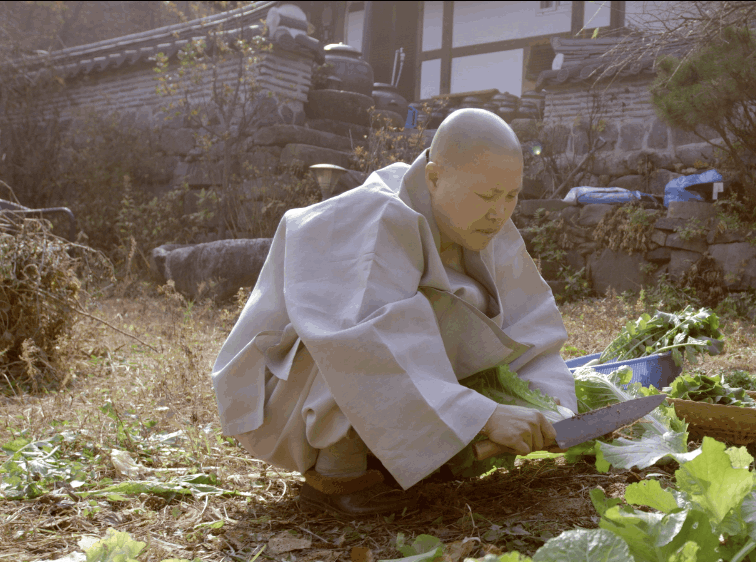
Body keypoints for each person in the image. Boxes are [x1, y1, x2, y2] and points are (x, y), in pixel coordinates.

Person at [211, 109, 576, 516]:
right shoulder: (376, 212)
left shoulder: (483, 221)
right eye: (488, 196)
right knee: (369, 327)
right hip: (284, 393)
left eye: (512, 195)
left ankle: (402, 454)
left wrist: (554, 409)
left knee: (465, 317)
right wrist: (483, 416)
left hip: (364, 370)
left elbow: (531, 326)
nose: (500, 212)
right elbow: (362, 338)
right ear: (434, 177)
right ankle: (339, 468)